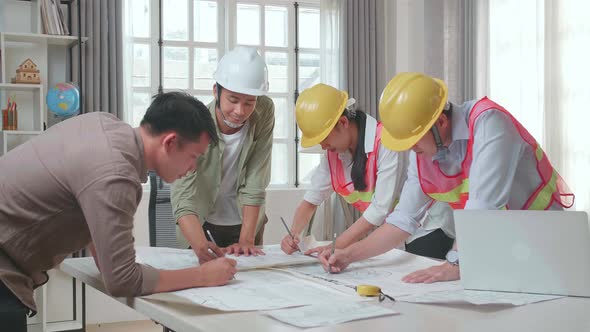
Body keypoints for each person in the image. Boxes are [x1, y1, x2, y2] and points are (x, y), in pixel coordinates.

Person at [0, 92, 237, 332]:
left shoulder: (103, 123)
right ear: (170, 142)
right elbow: (122, 281)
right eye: (193, 157)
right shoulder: (116, 174)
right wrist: (202, 276)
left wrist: (111, 262)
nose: (192, 168)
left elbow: (93, 217)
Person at [319, 72, 574, 283]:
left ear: (440, 122)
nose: (410, 148)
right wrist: (349, 254)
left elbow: (482, 208)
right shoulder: (424, 152)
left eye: (413, 139)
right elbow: (402, 221)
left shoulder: (489, 123)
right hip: (503, 245)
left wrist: (454, 263)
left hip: (547, 241)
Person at [281, 83, 454, 259]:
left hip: (426, 228)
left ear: (343, 122)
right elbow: (311, 199)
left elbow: (380, 208)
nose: (323, 146)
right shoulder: (333, 154)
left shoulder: (386, 142)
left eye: (324, 138)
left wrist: (336, 246)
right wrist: (293, 234)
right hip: (391, 233)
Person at [171, 46, 275, 264]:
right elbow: (184, 195)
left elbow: (257, 176)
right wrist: (200, 246)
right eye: (233, 100)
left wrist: (246, 239)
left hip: (245, 223)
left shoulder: (264, 110)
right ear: (216, 91)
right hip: (202, 223)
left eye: (249, 102)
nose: (240, 111)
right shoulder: (192, 125)